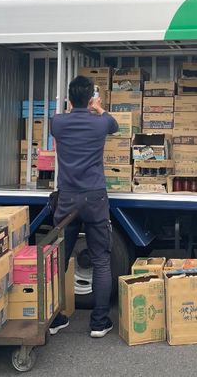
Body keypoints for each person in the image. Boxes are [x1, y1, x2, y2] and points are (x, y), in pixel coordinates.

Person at [48, 75, 119, 338]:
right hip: (94, 197)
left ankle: (55, 319)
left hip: (67, 199)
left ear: (69, 98)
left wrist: (73, 108)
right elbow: (114, 125)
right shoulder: (100, 123)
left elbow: (63, 120)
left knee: (58, 261)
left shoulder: (58, 122)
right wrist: (98, 108)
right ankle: (99, 323)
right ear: (91, 98)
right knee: (101, 259)